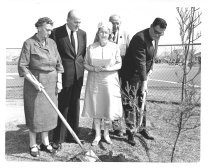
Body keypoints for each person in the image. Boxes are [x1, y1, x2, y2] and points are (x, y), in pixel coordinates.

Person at [18, 17, 64, 157]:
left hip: (51, 85)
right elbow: (23, 66)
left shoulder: (52, 43)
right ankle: (32, 144)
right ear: (38, 28)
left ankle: (45, 142)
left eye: (51, 30)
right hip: (35, 85)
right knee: (35, 115)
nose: (49, 32)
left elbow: (59, 64)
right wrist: (35, 82)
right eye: (47, 29)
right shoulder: (29, 43)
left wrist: (59, 81)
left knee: (49, 115)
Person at [120, 17, 167, 146]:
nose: (157, 35)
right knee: (129, 103)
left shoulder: (156, 37)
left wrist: (150, 69)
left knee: (142, 102)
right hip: (131, 76)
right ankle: (130, 132)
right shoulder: (139, 38)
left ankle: (142, 128)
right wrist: (144, 81)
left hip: (142, 74)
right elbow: (140, 62)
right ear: (151, 26)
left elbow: (150, 59)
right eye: (156, 32)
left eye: (160, 33)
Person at [50, 9, 87, 150]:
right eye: (76, 22)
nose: (78, 24)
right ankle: (57, 138)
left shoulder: (83, 33)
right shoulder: (56, 33)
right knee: (62, 106)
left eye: (80, 22)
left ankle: (72, 135)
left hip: (78, 76)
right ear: (68, 20)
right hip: (63, 76)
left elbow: (81, 55)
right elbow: (54, 55)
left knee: (75, 105)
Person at [82, 21, 123, 146]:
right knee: (96, 107)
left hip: (109, 80)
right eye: (101, 32)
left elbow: (119, 63)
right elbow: (85, 63)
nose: (103, 34)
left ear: (109, 34)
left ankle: (106, 134)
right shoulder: (91, 47)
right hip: (95, 80)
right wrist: (93, 68)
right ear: (98, 33)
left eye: (106, 32)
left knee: (107, 107)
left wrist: (108, 68)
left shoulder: (114, 47)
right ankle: (97, 135)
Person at [109, 14, 130, 137]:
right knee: (107, 98)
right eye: (112, 23)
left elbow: (129, 52)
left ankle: (118, 127)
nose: (115, 26)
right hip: (109, 71)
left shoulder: (126, 34)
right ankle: (97, 128)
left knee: (119, 98)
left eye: (117, 23)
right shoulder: (104, 33)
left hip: (122, 72)